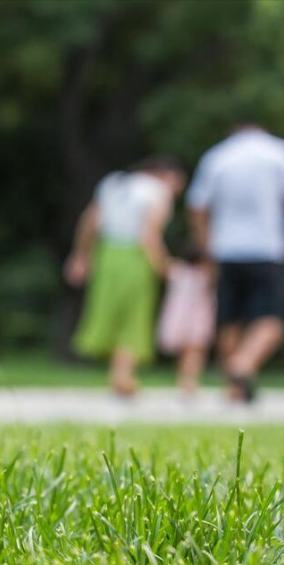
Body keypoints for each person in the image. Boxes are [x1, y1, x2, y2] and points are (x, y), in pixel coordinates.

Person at [187, 123, 284, 402]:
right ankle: (242, 365)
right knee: (272, 319)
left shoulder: (217, 156)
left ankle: (233, 388)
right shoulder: (281, 153)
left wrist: (206, 248)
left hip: (226, 249)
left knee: (229, 320)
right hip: (267, 248)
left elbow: (197, 207)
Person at [63, 157, 187, 396]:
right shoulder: (157, 191)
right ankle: (123, 374)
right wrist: (165, 266)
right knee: (135, 314)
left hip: (107, 253)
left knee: (108, 310)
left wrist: (80, 255)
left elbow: (91, 221)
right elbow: (149, 234)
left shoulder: (114, 182)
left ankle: (118, 374)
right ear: (166, 175)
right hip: (136, 256)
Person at [156, 240, 216, 396]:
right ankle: (190, 380)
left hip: (178, 318)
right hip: (197, 318)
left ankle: (183, 379)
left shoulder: (177, 272)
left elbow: (161, 264)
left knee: (184, 352)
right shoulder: (205, 275)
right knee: (195, 352)